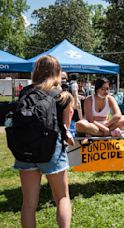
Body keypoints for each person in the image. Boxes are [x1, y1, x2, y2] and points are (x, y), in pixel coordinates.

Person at [13, 55, 73, 228]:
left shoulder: (25, 92)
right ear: (57, 72)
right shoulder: (63, 96)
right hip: (51, 149)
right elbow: (65, 127)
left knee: (29, 204)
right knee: (62, 197)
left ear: (36, 71)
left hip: (25, 150)